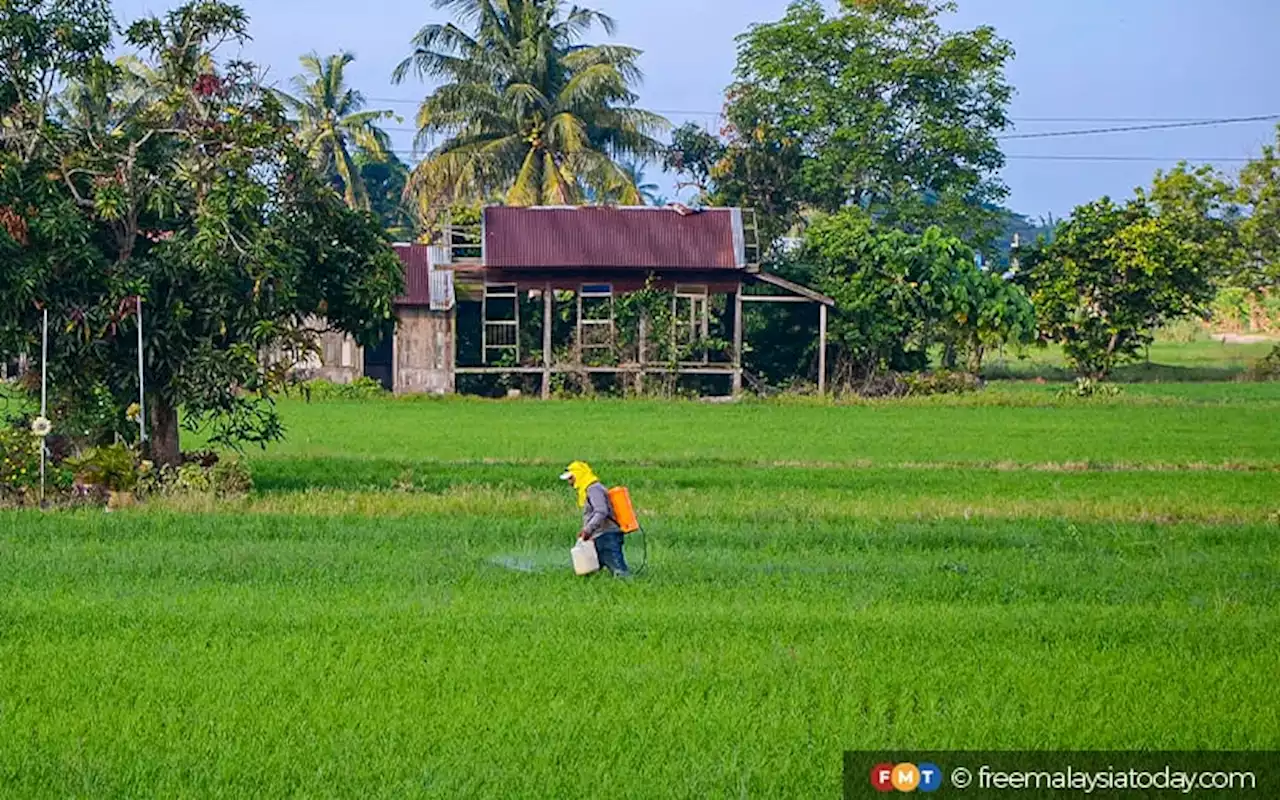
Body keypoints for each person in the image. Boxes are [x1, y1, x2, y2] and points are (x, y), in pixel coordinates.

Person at [560, 461, 630, 578]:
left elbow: (601, 511)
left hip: (607, 536)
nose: (569, 482)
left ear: (579, 475)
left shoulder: (594, 489)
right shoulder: (587, 490)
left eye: (571, 478)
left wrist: (588, 530)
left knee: (620, 572)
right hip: (598, 536)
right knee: (588, 572)